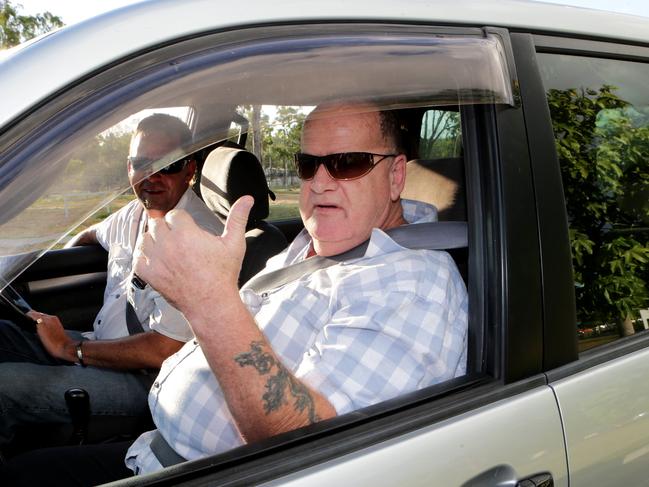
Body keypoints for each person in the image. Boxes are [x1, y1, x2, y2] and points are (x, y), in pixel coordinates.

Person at [1, 102, 467, 485]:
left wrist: (208, 301)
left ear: (396, 176)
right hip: (156, 452)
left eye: (348, 163)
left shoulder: (412, 283)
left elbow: (311, 446)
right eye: (308, 165)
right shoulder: (312, 245)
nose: (320, 181)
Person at [0, 113, 224, 451]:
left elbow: (165, 349)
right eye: (142, 163)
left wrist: (69, 349)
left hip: (145, 380)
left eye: (169, 165)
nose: (152, 176)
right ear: (128, 167)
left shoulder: (198, 236)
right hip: (99, 346)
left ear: (190, 170)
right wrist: (70, 259)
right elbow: (91, 233)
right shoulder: (133, 213)